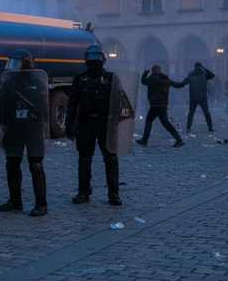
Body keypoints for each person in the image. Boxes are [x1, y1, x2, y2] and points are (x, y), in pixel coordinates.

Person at [65, 45, 122, 206]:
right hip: (86, 124)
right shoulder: (80, 79)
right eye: (92, 61)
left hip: (105, 124)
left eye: (96, 61)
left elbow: (120, 102)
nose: (94, 64)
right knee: (84, 160)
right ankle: (84, 192)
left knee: (110, 159)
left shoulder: (112, 78)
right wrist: (69, 125)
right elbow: (72, 103)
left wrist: (119, 124)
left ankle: (113, 193)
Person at [0, 50, 48, 217]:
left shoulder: (37, 81)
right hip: (15, 126)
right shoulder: (10, 81)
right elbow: (5, 105)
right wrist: (3, 127)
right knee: (12, 163)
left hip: (32, 126)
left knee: (36, 165)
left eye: (16, 63)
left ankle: (41, 204)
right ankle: (15, 200)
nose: (13, 66)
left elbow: (43, 106)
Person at [136, 65, 185, 147]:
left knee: (150, 121)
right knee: (165, 123)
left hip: (154, 104)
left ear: (153, 71)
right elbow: (177, 85)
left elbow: (143, 81)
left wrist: (145, 73)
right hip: (163, 104)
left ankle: (144, 140)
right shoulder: (165, 79)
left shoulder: (151, 79)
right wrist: (185, 82)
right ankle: (179, 140)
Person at [181, 62, 215, 133]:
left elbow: (184, 83)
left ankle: (188, 128)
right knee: (206, 113)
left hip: (193, 97)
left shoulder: (191, 74)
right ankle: (210, 127)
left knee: (191, 113)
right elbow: (212, 75)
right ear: (200, 67)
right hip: (203, 97)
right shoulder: (204, 74)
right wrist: (204, 68)